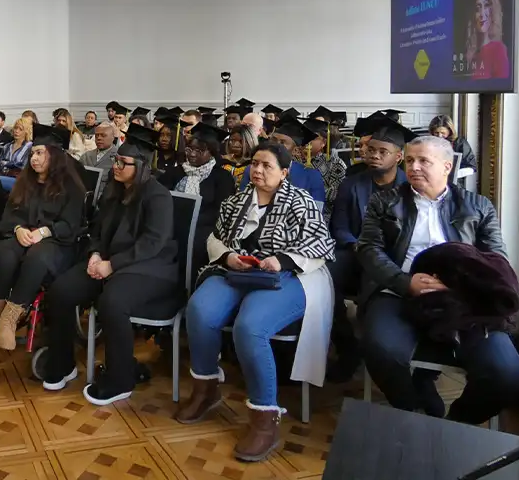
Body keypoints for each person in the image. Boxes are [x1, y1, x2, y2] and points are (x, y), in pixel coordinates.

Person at [177, 142, 334, 462]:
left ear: (285, 172)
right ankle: (206, 390)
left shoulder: (300, 202)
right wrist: (229, 256)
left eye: (267, 166)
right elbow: (215, 238)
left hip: (287, 276)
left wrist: (283, 260)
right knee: (199, 309)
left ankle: (265, 416)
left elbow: (320, 245)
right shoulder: (236, 201)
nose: (258, 170)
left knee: (250, 326)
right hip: (238, 270)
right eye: (255, 164)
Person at [357, 135, 519, 423]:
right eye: (409, 160)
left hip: (464, 300)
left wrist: (462, 285)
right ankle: (412, 411)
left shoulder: (478, 206)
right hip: (398, 291)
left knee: (506, 372)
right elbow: (369, 248)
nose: (414, 167)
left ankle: (453, 425)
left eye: (424, 160)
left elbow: (496, 259)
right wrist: (404, 280)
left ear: (447, 166)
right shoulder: (385, 202)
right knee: (381, 349)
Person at [41, 124, 177, 406]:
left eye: (122, 162)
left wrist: (111, 264)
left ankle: (120, 379)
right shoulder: (114, 190)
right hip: (107, 261)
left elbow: (152, 242)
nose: (115, 166)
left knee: (112, 302)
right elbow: (98, 230)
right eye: (116, 160)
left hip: (150, 268)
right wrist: (94, 254)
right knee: (61, 291)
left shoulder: (158, 196)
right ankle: (62, 363)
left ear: (140, 166)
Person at [0, 124, 86, 350]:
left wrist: (44, 232)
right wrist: (17, 229)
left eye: (39, 153)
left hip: (55, 241)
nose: (33, 158)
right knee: (5, 254)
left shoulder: (71, 186)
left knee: (37, 257)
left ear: (54, 156)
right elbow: (10, 215)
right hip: (23, 234)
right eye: (33, 153)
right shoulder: (25, 182)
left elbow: (71, 224)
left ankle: (10, 318)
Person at [326, 116, 410, 383]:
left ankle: (378, 348)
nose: (374, 155)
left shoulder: (410, 187)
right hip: (355, 252)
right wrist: (357, 246)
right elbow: (338, 226)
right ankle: (347, 346)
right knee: (325, 275)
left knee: (376, 278)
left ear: (398, 156)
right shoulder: (353, 184)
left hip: (394, 259)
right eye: (370, 150)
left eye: (382, 151)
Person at [159, 123, 236, 281]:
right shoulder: (176, 172)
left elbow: (220, 210)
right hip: (171, 225)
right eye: (189, 149)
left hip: (204, 230)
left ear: (212, 152)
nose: (192, 154)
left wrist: (191, 222)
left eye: (198, 150)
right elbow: (160, 198)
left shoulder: (222, 177)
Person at [239, 119, 326, 201]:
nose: (276, 145)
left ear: (296, 150)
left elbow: (317, 209)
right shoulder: (253, 170)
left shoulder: (311, 176)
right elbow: (242, 201)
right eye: (273, 140)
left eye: (283, 142)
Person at [302, 118, 348, 220]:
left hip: (324, 215)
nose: (306, 140)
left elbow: (337, 192)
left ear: (323, 142)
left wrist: (306, 194)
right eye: (304, 136)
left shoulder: (334, 163)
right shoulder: (293, 161)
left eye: (312, 137)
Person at [465, 0, 510, 80]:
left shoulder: (499, 50)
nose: (481, 14)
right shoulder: (472, 54)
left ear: (493, 9)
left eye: (486, 6)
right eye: (478, 8)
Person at [80, 123, 119, 195]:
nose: (99, 138)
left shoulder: (119, 158)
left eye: (103, 135)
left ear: (113, 137)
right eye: (97, 135)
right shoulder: (85, 156)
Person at [0, 117, 33, 191]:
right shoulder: (7, 146)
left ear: (26, 131)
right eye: (16, 128)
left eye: (20, 129)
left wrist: (6, 163)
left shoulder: (30, 147)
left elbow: (23, 166)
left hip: (20, 180)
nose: (16, 131)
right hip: (3, 176)